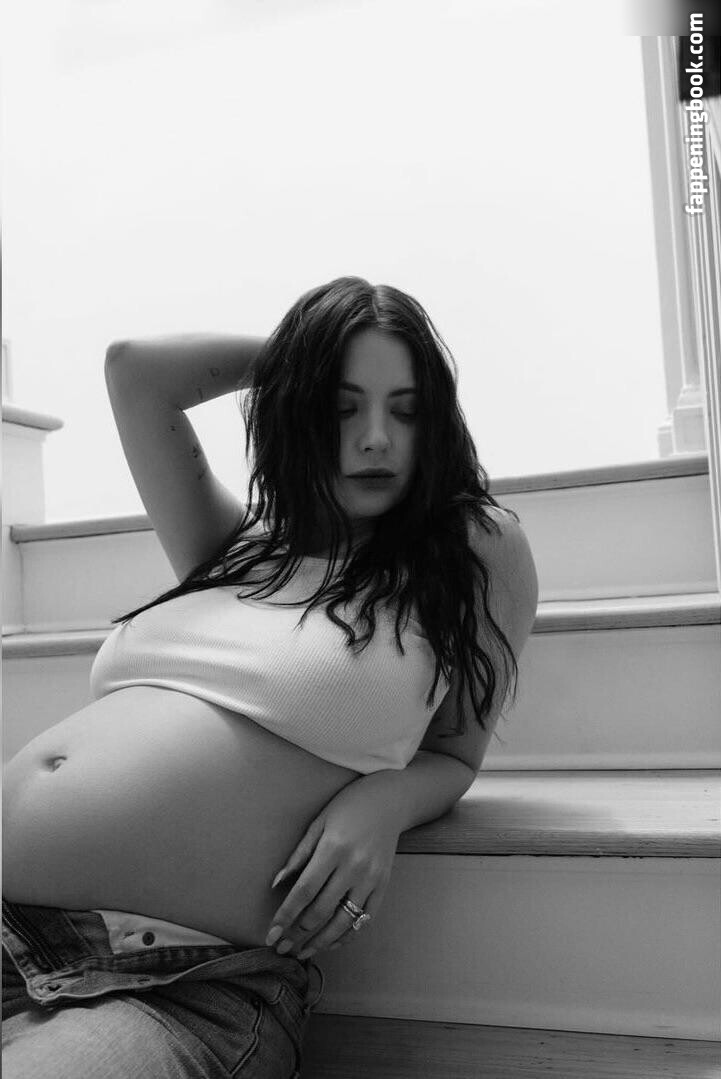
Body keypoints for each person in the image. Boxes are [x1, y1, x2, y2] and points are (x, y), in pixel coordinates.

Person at [2, 275, 538, 1078]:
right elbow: (133, 370)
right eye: (342, 406)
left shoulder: (472, 549)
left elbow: (456, 754)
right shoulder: (232, 550)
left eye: (404, 408)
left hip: (176, 982)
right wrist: (305, 358)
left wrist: (384, 799)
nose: (375, 438)